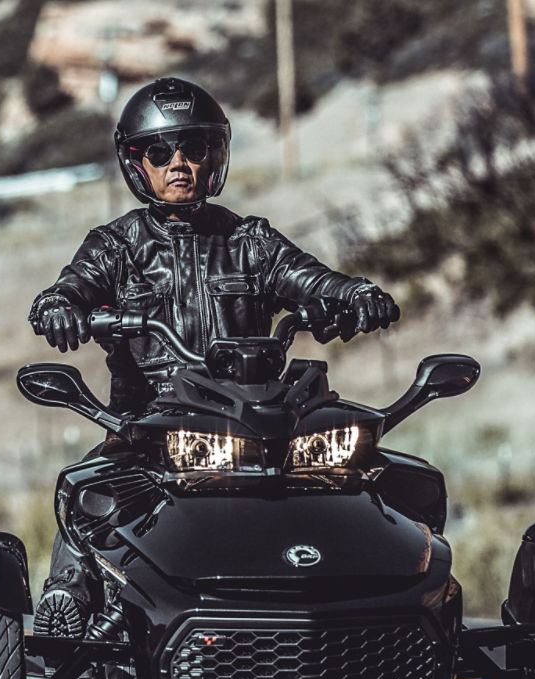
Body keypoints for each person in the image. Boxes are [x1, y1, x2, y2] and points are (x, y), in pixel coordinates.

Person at [28, 75, 400, 637]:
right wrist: (59, 307)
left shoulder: (251, 241)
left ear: (214, 157)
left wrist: (353, 294)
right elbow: (70, 288)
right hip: (148, 428)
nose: (178, 162)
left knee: (369, 475)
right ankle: (68, 606)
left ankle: (386, 597)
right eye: (160, 151)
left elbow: (310, 278)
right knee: (88, 489)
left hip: (253, 423)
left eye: (193, 148)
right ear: (138, 165)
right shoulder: (116, 245)